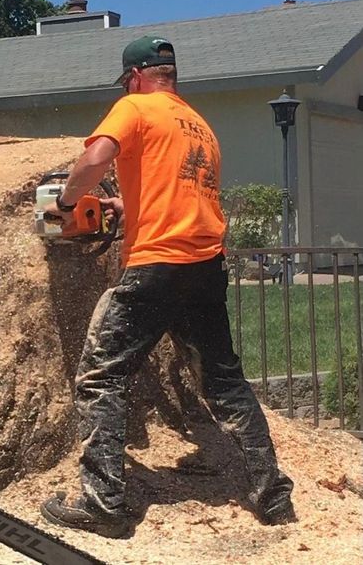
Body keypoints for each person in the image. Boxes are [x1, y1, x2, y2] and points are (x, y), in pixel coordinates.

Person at [39, 36, 296, 538]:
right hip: (204, 265)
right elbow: (175, 193)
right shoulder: (199, 125)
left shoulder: (134, 106)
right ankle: (272, 496)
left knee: (101, 377)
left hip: (156, 264)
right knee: (223, 383)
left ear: (135, 75)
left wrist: (70, 202)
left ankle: (103, 503)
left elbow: (96, 158)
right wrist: (121, 208)